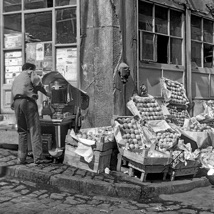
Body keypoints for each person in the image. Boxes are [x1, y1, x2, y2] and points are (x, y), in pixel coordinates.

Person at [11, 63, 51, 164]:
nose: (35, 71)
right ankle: (38, 158)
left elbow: (13, 92)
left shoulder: (17, 77)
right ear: (29, 68)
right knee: (34, 129)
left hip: (16, 103)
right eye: (34, 69)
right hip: (27, 101)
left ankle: (21, 158)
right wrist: (47, 93)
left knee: (22, 131)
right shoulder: (30, 73)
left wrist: (15, 105)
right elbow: (37, 83)